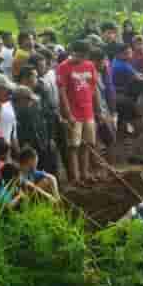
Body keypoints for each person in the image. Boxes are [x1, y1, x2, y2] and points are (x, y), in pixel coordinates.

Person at [56, 40, 99, 185]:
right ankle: (75, 178)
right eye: (80, 55)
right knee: (73, 146)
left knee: (88, 144)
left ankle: (85, 173)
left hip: (88, 111)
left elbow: (93, 87)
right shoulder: (63, 67)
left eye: (84, 56)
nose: (82, 58)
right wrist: (68, 114)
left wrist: (95, 108)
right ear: (73, 52)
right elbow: (62, 92)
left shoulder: (90, 65)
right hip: (73, 112)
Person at [110, 42, 143, 165]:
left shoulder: (119, 63)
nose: (131, 54)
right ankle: (135, 154)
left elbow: (138, 74)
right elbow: (138, 77)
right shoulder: (121, 66)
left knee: (122, 127)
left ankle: (119, 155)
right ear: (120, 54)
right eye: (128, 52)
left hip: (119, 98)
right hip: (125, 99)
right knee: (140, 127)